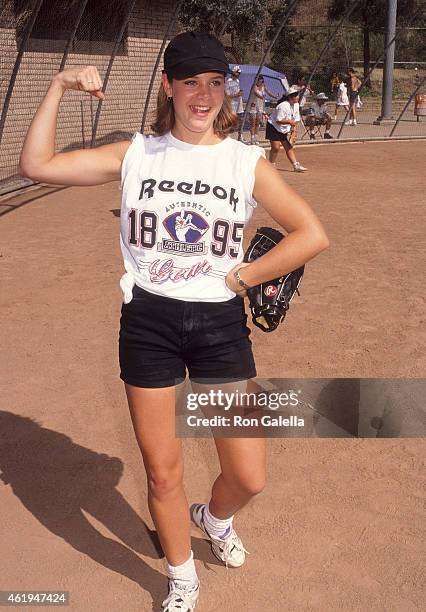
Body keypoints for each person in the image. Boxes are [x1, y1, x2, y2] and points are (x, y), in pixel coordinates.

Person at [19, 31, 329, 612]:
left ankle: (213, 518)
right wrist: (59, 85)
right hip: (150, 322)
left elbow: (312, 234)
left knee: (249, 475)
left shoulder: (244, 161)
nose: (203, 96)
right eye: (191, 82)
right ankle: (181, 575)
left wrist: (242, 279)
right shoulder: (136, 153)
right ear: (169, 86)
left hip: (219, 326)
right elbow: (35, 164)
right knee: (162, 473)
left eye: (215, 83)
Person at [266, 85, 307, 172]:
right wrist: (290, 123)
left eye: (298, 95)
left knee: (288, 147)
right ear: (290, 97)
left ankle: (296, 165)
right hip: (273, 126)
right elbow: (278, 120)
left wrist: (294, 130)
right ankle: (271, 165)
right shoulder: (283, 106)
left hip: (285, 128)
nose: (298, 97)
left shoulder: (296, 105)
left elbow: (295, 119)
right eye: (296, 95)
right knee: (276, 147)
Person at [248, 75, 279, 145]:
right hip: (253, 106)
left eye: (262, 81)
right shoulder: (254, 86)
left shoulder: (263, 86)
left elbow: (268, 92)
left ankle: (256, 138)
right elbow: (256, 93)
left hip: (260, 107)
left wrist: (275, 96)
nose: (261, 82)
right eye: (259, 81)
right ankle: (252, 138)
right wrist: (262, 97)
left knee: (257, 123)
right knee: (253, 123)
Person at [225, 65, 245, 136]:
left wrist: (240, 92)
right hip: (232, 104)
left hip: (239, 103)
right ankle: (229, 135)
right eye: (237, 73)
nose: (238, 75)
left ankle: (240, 135)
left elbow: (237, 90)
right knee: (231, 119)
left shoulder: (237, 81)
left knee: (239, 119)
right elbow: (227, 95)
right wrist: (236, 95)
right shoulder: (228, 81)